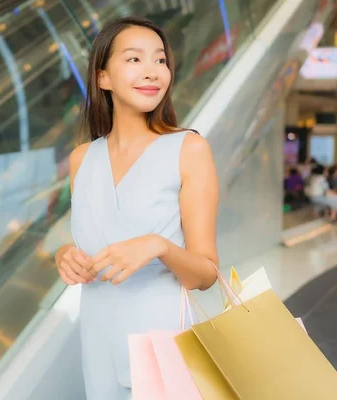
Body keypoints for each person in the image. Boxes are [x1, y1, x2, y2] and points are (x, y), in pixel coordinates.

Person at [54, 17, 219, 399]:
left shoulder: (188, 149)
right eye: (134, 60)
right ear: (102, 78)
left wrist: (158, 245)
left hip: (162, 338)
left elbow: (206, 273)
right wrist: (65, 255)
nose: (152, 72)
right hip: (97, 335)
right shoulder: (82, 158)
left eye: (160, 61)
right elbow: (87, 242)